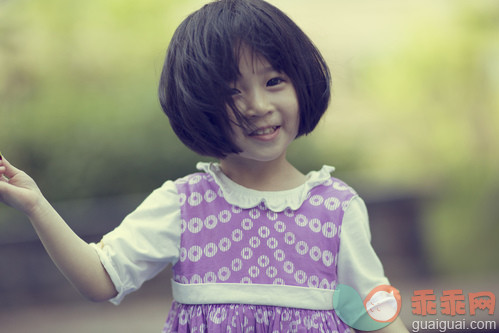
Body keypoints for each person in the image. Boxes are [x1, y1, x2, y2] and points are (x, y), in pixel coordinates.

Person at [0, 0, 408, 332]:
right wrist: (37, 206)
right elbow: (101, 279)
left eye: (273, 82)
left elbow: (371, 312)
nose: (259, 106)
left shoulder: (337, 209)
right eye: (233, 91)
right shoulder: (186, 205)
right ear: (198, 105)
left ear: (302, 83)